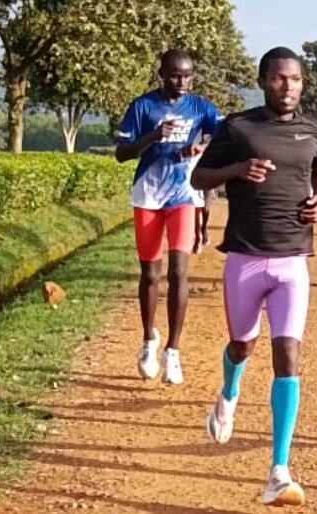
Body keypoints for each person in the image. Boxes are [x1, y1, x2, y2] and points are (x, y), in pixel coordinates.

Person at [191, 46, 317, 507]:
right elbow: (199, 178)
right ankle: (229, 392)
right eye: (278, 78)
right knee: (242, 345)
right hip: (245, 258)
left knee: (287, 355)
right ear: (262, 81)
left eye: (295, 79)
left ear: (302, 83)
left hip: (293, 260)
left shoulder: (314, 129)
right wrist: (238, 169)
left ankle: (279, 470)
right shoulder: (238, 128)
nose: (287, 86)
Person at [115, 49, 224, 385]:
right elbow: (122, 153)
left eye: (188, 75)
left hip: (184, 194)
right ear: (161, 74)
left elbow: (226, 137)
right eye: (175, 75)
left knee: (179, 272)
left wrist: (201, 149)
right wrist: (154, 136)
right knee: (150, 274)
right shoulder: (142, 106)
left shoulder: (201, 107)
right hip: (148, 195)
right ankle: (149, 340)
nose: (182, 82)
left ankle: (173, 352)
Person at [192, 186, 215, 254]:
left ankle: (204, 229)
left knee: (205, 208)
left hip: (207, 183)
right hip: (194, 183)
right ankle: (198, 238)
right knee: (196, 209)